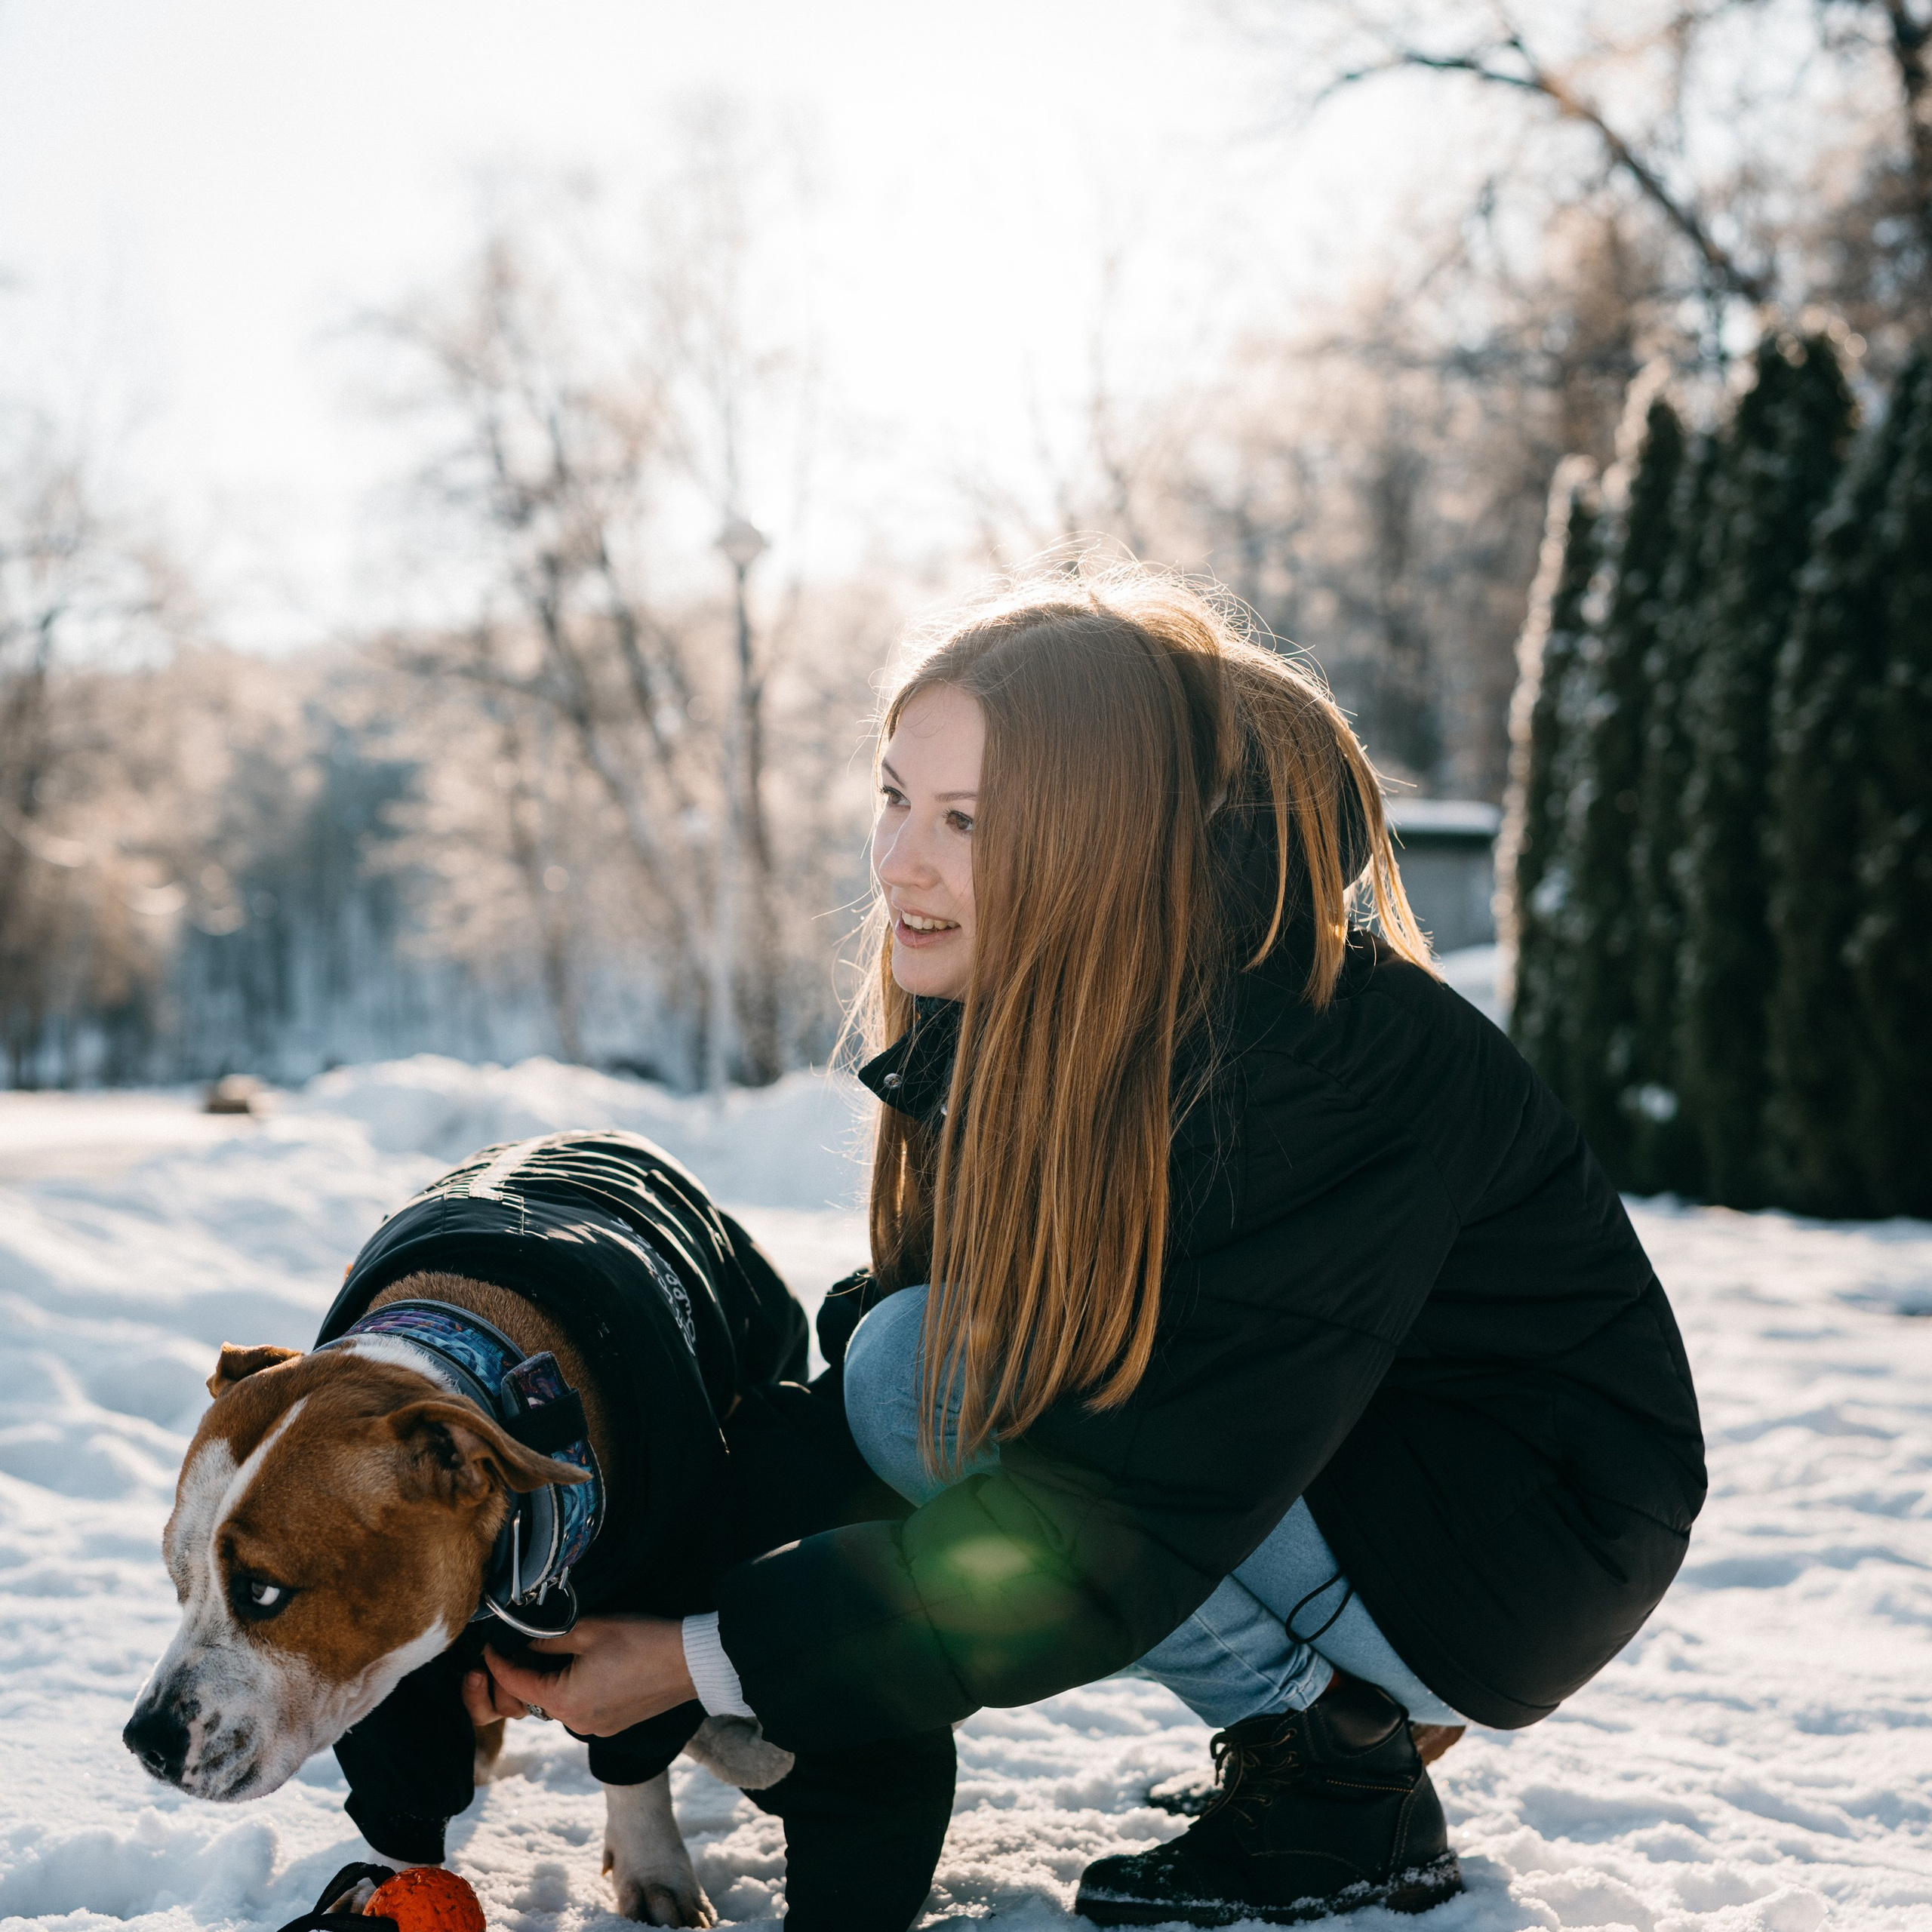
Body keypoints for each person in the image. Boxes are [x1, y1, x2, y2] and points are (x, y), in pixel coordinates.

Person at [468, 566, 1707, 1927]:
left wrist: (700, 1660)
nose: (899, 864)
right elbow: (895, 1422)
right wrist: (623, 1548)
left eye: (967, 821)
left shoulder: (1303, 1066)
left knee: (938, 1378)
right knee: (904, 1364)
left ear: (1101, 836)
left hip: (1516, 1546)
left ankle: (1335, 1770)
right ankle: (1319, 1718)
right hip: (1329, 1466)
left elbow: (1115, 1516)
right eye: (894, 798)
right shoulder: (1055, 1000)